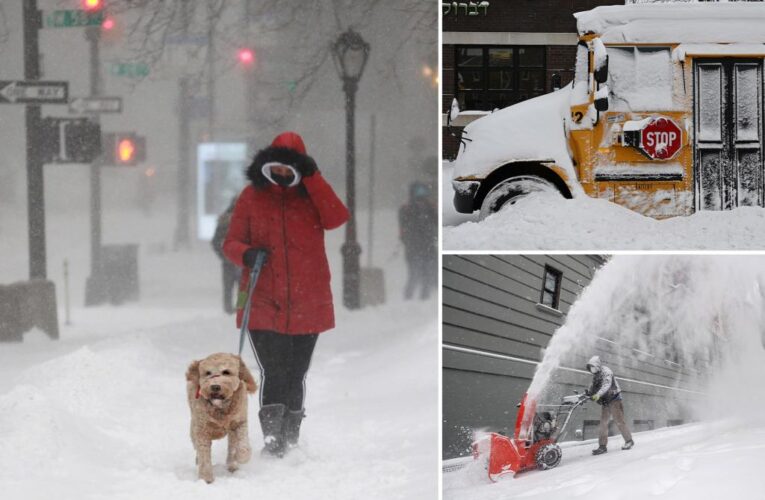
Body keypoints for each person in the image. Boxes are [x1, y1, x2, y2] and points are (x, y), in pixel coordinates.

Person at [223, 131, 349, 458]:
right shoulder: (251, 196)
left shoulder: (312, 197)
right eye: (276, 168)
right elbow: (231, 243)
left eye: (288, 169)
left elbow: (337, 217)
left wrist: (313, 177)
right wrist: (247, 254)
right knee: (274, 370)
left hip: (309, 302)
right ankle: (272, 442)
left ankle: (290, 439)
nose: (280, 175)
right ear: (267, 165)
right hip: (261, 298)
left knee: (296, 373)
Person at [585, 355, 634, 455]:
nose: (592, 369)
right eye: (590, 368)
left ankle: (629, 441)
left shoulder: (607, 372)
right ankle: (602, 446)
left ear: (597, 365)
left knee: (619, 421)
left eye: (593, 367)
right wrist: (588, 394)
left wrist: (598, 395)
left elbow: (606, 385)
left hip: (615, 399)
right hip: (606, 402)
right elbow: (592, 388)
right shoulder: (596, 376)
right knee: (603, 424)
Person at [399, 181, 437, 300]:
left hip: (421, 245)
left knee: (421, 272)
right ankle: (412, 296)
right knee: (417, 273)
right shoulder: (408, 208)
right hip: (420, 245)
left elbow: (435, 221)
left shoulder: (409, 208)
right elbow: (403, 227)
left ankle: (418, 297)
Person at [211, 198, 240, 314]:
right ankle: (241, 308)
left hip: (229, 261)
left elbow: (215, 241)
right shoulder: (247, 219)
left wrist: (224, 255)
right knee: (243, 288)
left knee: (228, 287)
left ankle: (229, 310)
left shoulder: (224, 221)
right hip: (241, 261)